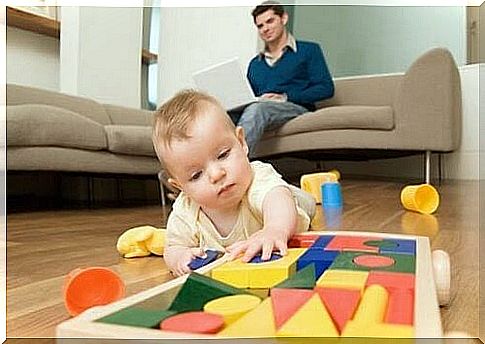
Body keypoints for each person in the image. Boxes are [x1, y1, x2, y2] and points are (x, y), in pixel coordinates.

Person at [152, 90, 316, 276]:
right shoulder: (186, 209)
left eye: (223, 155)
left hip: (288, 204)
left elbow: (275, 199)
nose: (216, 174)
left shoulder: (255, 177)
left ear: (241, 142)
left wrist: (274, 229)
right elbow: (173, 247)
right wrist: (180, 257)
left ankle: (299, 193)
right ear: (180, 187)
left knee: (296, 199)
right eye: (196, 175)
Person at [232, 1, 334, 155]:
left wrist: (285, 97)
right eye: (260, 26)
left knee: (258, 109)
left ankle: (238, 164)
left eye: (270, 21)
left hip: (295, 107)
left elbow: (326, 88)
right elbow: (251, 97)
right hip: (262, 108)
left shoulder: (308, 50)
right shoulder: (255, 64)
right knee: (223, 115)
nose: (265, 28)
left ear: (284, 18)